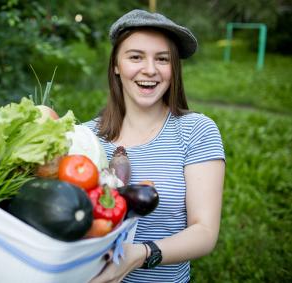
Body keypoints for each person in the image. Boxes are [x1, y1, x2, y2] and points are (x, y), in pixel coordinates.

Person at [85, 9, 226, 283]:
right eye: (136, 56)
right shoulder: (86, 137)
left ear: (174, 68)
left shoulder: (197, 131)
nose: (150, 69)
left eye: (162, 59)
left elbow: (205, 232)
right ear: (116, 64)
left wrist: (141, 254)